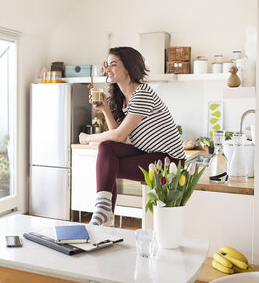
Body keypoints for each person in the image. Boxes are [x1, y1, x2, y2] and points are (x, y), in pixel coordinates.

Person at [79, 47, 185, 226]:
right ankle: (104, 214)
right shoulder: (123, 97)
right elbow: (117, 135)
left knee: (108, 165)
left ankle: (104, 215)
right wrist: (105, 108)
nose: (108, 70)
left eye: (113, 65)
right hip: (147, 153)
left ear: (128, 67)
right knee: (106, 149)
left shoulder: (142, 93)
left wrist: (88, 138)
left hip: (168, 162)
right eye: (107, 65)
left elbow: (119, 136)